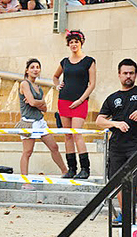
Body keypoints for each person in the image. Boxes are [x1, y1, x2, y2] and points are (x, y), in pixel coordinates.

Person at [96, 58, 137, 225]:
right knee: (118, 181)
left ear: (135, 74)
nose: (128, 76)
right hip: (116, 146)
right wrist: (115, 123)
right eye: (125, 73)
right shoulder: (112, 98)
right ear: (119, 74)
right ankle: (124, 213)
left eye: (131, 73)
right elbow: (99, 120)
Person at [17, 59, 67, 189]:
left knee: (54, 147)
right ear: (27, 70)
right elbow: (33, 103)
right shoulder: (24, 84)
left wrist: (38, 103)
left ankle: (65, 172)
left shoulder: (38, 88)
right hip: (28, 122)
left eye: (37, 67)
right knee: (27, 152)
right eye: (32, 67)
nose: (35, 69)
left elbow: (44, 108)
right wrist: (39, 103)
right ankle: (25, 182)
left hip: (40, 122)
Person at [53, 30, 96, 179]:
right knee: (67, 135)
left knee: (77, 133)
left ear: (81, 42)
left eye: (76, 42)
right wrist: (57, 85)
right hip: (64, 100)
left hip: (80, 102)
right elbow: (55, 76)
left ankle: (85, 169)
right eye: (71, 42)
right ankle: (71, 169)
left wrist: (81, 100)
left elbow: (92, 84)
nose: (73, 44)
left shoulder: (89, 61)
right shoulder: (64, 61)